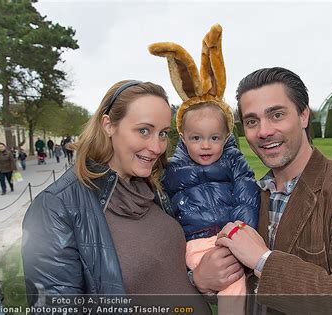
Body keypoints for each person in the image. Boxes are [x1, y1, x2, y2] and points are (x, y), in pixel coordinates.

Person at [213, 67, 332, 314]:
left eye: (276, 115)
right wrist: (201, 281)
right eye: (252, 121)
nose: (264, 131)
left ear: (304, 116)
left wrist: (263, 261)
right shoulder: (252, 194)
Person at [21, 80, 211, 313]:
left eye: (163, 133)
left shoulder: (156, 186)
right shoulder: (55, 207)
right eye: (144, 130)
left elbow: (164, 272)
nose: (157, 147)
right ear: (108, 125)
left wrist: (198, 278)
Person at [151, 24, 259, 315]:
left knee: (236, 283)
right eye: (196, 138)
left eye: (214, 138)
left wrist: (236, 233)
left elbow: (247, 197)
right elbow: (167, 212)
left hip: (232, 237)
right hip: (195, 243)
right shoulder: (172, 170)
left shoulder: (234, 162)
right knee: (225, 285)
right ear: (183, 137)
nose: (206, 146)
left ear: (225, 136)